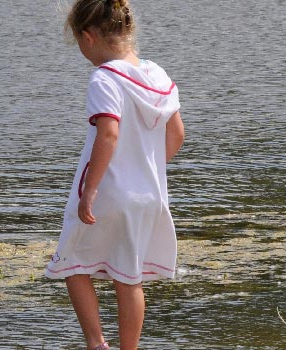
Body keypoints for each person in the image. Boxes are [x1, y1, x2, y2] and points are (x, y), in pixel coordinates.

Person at [42, 0, 185, 349]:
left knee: (72, 265)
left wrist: (89, 192)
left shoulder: (104, 78)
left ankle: (96, 344)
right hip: (149, 196)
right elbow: (177, 134)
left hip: (108, 192)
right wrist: (145, 169)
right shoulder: (159, 75)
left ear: (88, 37)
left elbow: (108, 133)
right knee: (129, 278)